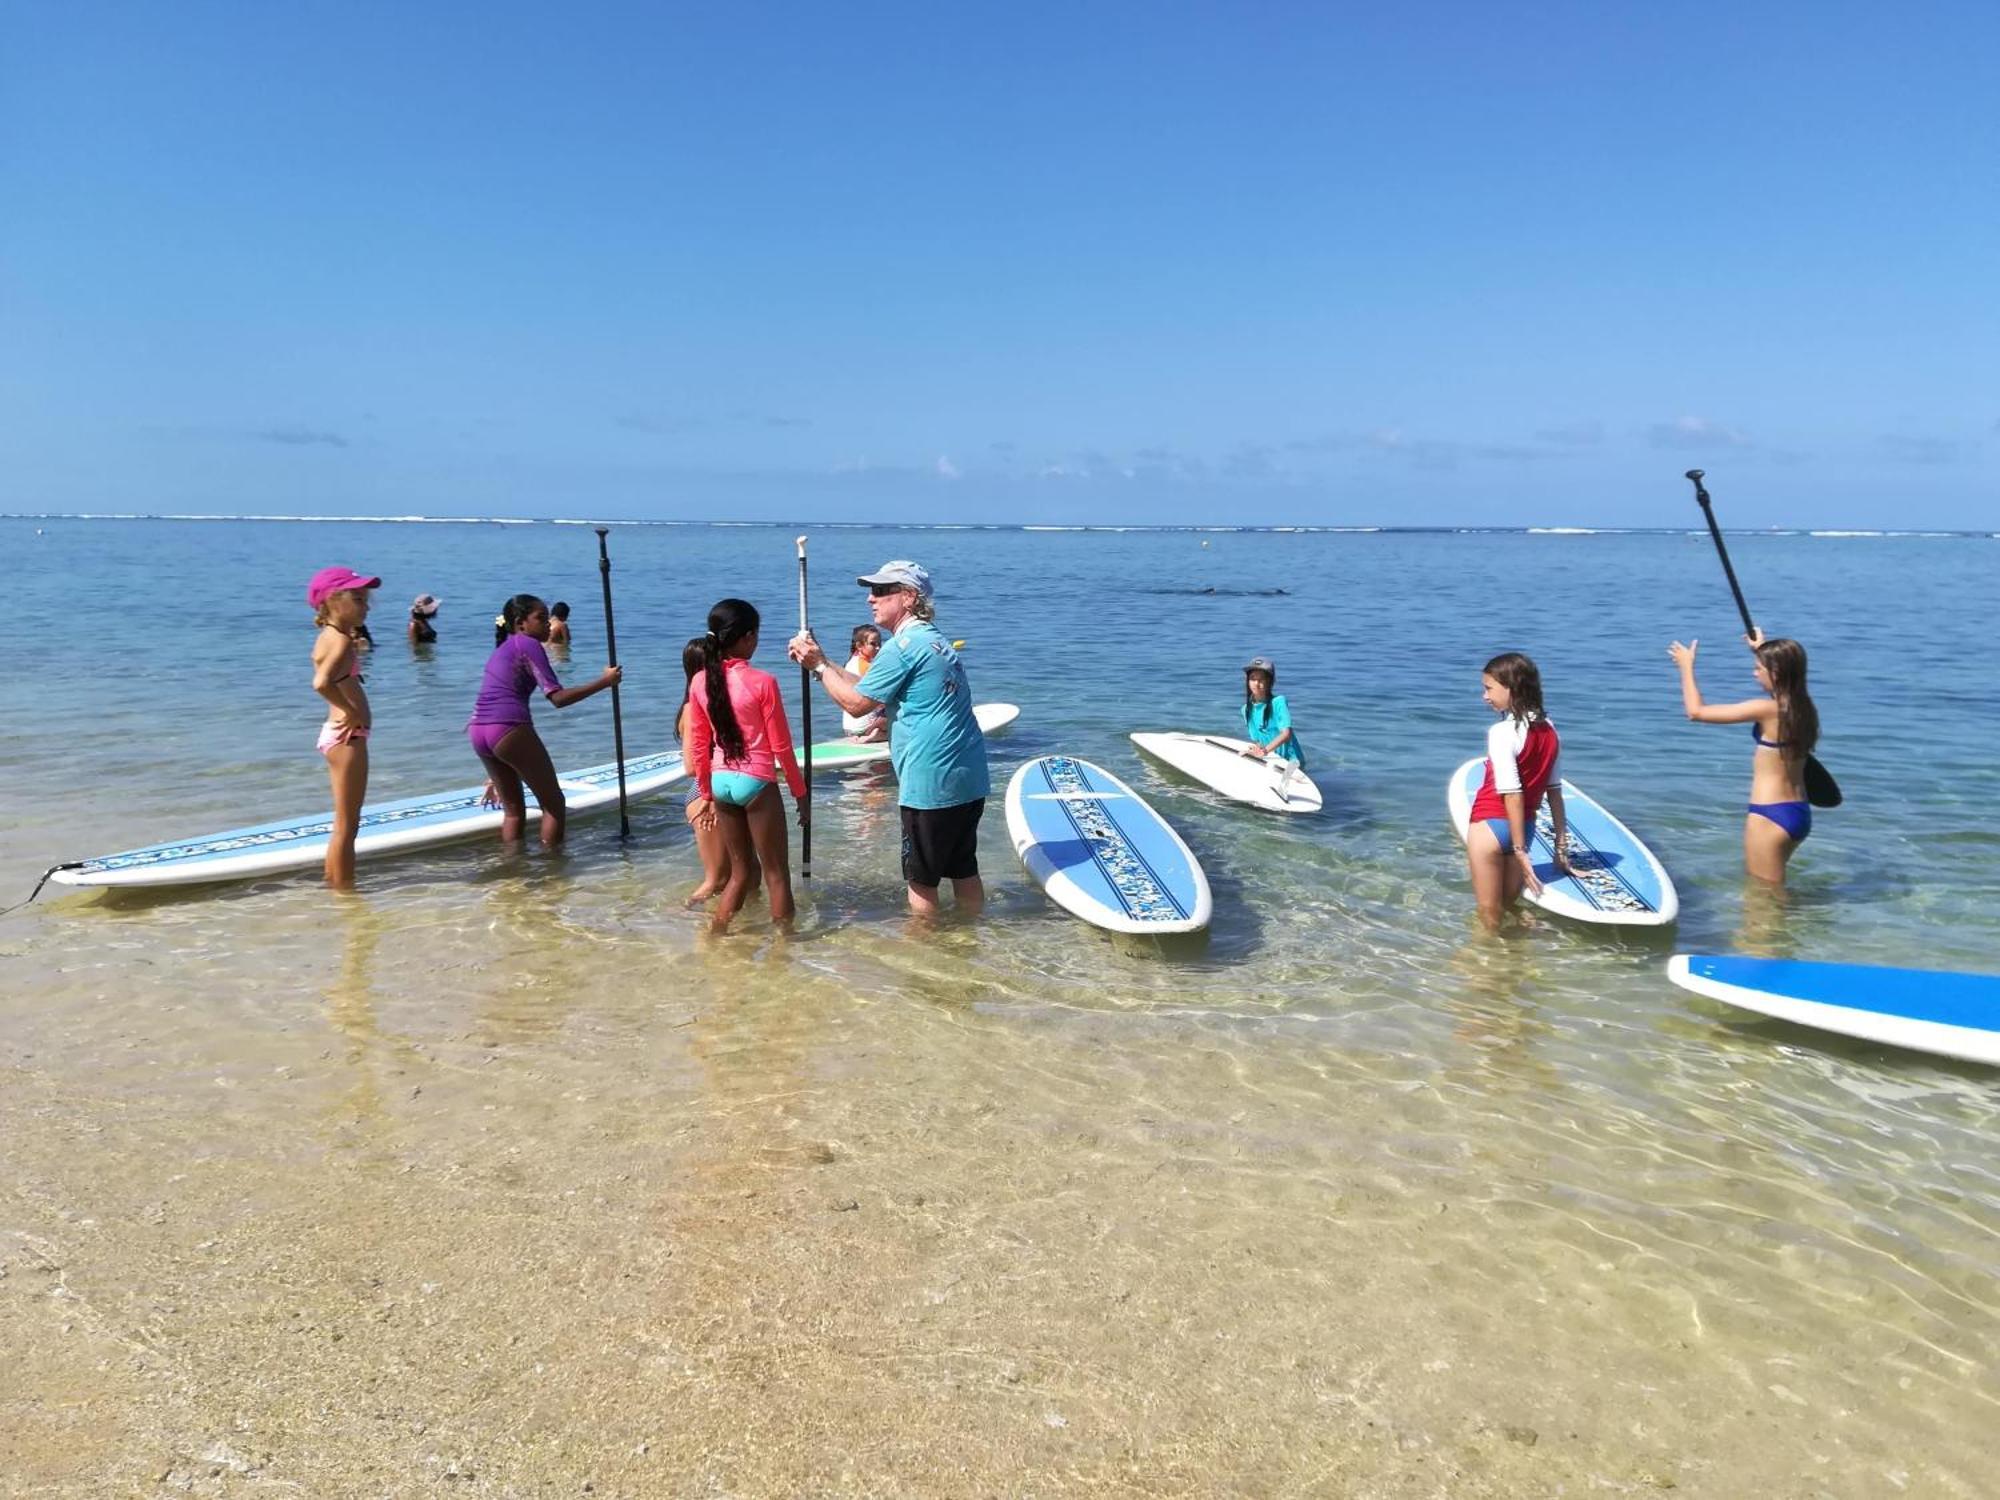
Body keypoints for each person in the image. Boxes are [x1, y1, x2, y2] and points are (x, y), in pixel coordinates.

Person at [789, 560, 989, 917]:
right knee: (963, 868)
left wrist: (817, 668)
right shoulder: (932, 639)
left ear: (909, 597)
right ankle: (971, 937)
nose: (871, 599)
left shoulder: (902, 646)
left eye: (882, 591)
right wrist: (824, 661)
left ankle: (922, 955)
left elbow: (855, 705)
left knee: (922, 880)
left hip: (931, 781)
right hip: (967, 775)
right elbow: (868, 691)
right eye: (871, 590)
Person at [683, 599, 806, 932]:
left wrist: (707, 792)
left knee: (739, 873)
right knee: (777, 874)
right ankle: (784, 946)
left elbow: (698, 744)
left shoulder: (699, 682)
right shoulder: (763, 681)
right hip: (755, 783)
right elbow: (781, 746)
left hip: (721, 782)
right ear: (747, 636)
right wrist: (801, 794)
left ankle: (716, 934)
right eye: (756, 635)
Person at [469, 594, 621, 848]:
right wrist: (605, 682)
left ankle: (514, 873)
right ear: (520, 623)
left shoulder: (503, 648)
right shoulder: (528, 644)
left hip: (478, 730)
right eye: (540, 618)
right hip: (507, 728)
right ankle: (553, 872)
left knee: (514, 812)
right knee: (553, 804)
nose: (548, 623)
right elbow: (558, 698)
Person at [1669, 628, 1819, 886]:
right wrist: (1761, 648)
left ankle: (1766, 929)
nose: (1754, 673)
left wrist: (1686, 666)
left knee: (1763, 899)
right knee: (1773, 893)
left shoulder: (1767, 710)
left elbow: (1696, 712)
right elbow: (1782, 683)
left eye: (1758, 668)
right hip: (1797, 812)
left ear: (1776, 673)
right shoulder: (1803, 707)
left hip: (1769, 816)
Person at [1465, 651, 1572, 929]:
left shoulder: (1502, 732)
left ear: (1511, 688)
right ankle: (1516, 961)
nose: (1484, 696)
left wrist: (1520, 851)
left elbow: (1511, 793)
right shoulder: (1550, 730)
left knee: (1488, 916)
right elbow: (1555, 790)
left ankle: (1483, 967)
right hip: (1525, 828)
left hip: (1490, 827)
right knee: (1508, 905)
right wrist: (1560, 847)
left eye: (1489, 688)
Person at [307, 565, 381, 889]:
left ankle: (333, 883)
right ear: (334, 601)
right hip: (346, 736)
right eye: (359, 599)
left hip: (338, 734)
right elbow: (320, 683)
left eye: (366, 599)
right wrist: (351, 711)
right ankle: (345, 894)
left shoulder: (330, 636)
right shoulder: (341, 641)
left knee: (343, 824)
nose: (366, 606)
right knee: (348, 826)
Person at [676, 635, 752, 904]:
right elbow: (690, 766)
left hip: (723, 790)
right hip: (705, 793)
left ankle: (742, 936)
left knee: (749, 876)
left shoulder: (717, 703)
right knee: (717, 880)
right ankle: (680, 920)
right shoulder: (691, 709)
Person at [1240, 656, 1303, 765]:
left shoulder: (1278, 702)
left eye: (1261, 679)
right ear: (1247, 681)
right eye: (1253, 678)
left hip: (1292, 762)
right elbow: (1258, 740)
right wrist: (1257, 749)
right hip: (1271, 760)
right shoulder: (1246, 709)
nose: (1256, 683)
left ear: (1270, 681)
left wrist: (1263, 752)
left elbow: (1286, 734)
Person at [841, 624, 887, 740]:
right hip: (865, 727)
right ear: (859, 646)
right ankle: (878, 734)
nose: (878, 648)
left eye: (879, 644)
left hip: (849, 728)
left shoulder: (850, 663)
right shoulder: (867, 666)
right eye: (873, 644)